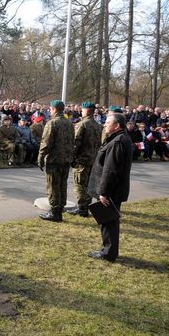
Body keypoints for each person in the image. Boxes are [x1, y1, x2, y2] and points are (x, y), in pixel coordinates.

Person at [87, 113, 133, 262]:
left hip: (112, 191)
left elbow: (111, 170)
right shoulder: (118, 138)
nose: (104, 124)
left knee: (108, 222)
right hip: (113, 189)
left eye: (107, 122)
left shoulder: (118, 142)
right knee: (109, 221)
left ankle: (108, 253)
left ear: (117, 126)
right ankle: (109, 251)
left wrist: (104, 192)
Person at [37, 100, 75, 222]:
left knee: (53, 186)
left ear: (53, 109)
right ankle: (59, 209)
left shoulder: (52, 123)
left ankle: (55, 213)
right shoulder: (69, 123)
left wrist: (40, 158)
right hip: (66, 159)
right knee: (62, 185)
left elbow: (46, 143)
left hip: (54, 159)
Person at [68, 101, 102, 217]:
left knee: (80, 185)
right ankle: (87, 206)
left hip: (82, 160)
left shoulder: (82, 124)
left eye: (82, 110)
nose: (81, 111)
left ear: (87, 111)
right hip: (93, 159)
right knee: (89, 184)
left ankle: (82, 209)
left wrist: (71, 158)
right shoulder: (98, 125)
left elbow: (75, 143)